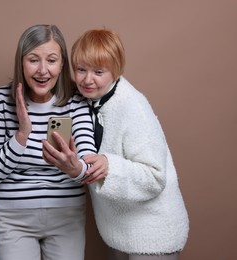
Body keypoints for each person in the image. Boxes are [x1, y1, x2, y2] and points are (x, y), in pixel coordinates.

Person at [69, 28, 190, 259]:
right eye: (80, 69)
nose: (87, 79)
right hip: (120, 232)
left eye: (98, 71)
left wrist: (109, 166)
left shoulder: (132, 105)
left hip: (153, 233)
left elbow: (155, 177)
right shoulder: (88, 102)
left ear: (115, 71)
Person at [0, 24, 96, 260]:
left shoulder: (76, 101)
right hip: (12, 220)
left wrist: (74, 167)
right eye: (33, 60)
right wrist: (21, 135)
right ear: (21, 62)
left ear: (62, 64)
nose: (43, 70)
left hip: (66, 217)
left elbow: (89, 166)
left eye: (52, 60)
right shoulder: (2, 100)